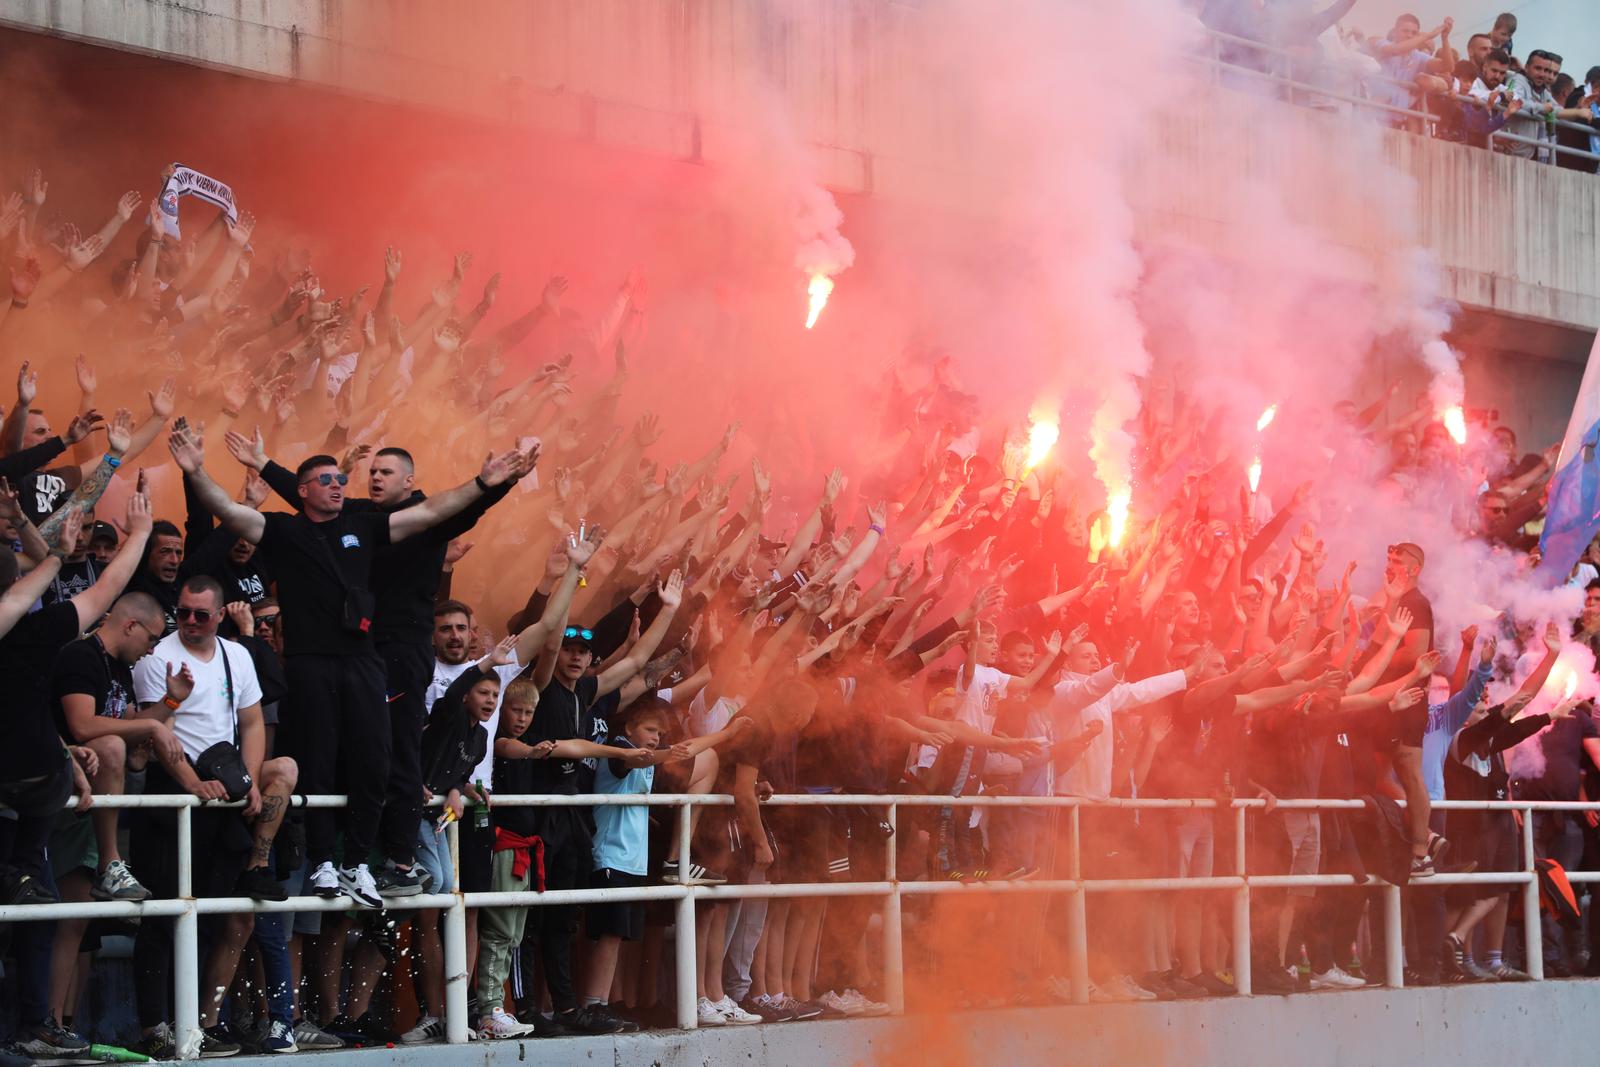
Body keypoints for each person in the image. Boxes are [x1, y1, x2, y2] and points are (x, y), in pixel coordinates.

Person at [168, 419, 531, 907]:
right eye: (328, 480)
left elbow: (429, 513)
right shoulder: (281, 530)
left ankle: (359, 862)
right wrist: (195, 472)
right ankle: (322, 862)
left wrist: (485, 483)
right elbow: (229, 510)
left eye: (343, 480)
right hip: (309, 662)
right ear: (302, 492)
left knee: (373, 758)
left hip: (364, 662)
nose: (341, 485)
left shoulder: (364, 523)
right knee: (318, 760)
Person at [129, 575, 300, 1056]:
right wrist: (191, 783)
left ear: (221, 614)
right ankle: (154, 1027)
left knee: (217, 916)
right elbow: (153, 734)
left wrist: (247, 782)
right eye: (182, 612)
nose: (190, 622)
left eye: (201, 614)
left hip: (223, 791)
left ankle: (201, 1023)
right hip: (174, 795)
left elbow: (251, 722)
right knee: (162, 915)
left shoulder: (237, 655)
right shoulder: (157, 658)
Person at [1503, 49, 1563, 161]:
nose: (1542, 74)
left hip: (1525, 159)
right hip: (1504, 154)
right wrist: (1541, 108)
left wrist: (1580, 110)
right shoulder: (1513, 79)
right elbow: (1511, 99)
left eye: (1545, 70)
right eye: (1538, 68)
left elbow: (1558, 109)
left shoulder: (1543, 91)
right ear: (1526, 67)